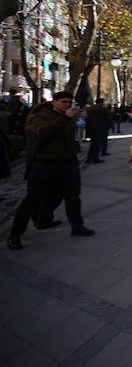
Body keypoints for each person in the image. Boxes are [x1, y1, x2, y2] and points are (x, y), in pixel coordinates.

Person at [7, 91, 94, 250]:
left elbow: (75, 134)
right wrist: (66, 118)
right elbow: (44, 133)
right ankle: (15, 235)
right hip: (44, 164)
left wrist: (83, 119)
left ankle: (75, 226)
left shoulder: (68, 115)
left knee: (72, 197)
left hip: (68, 163)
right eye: (64, 102)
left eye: (69, 102)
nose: (67, 105)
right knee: (32, 200)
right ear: (54, 101)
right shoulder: (39, 116)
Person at [85, 98, 112, 164]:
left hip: (92, 129)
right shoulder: (102, 110)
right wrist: (109, 125)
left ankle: (89, 158)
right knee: (97, 144)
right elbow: (107, 118)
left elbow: (88, 119)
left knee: (92, 144)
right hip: (100, 128)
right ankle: (95, 158)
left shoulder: (90, 110)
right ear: (101, 103)